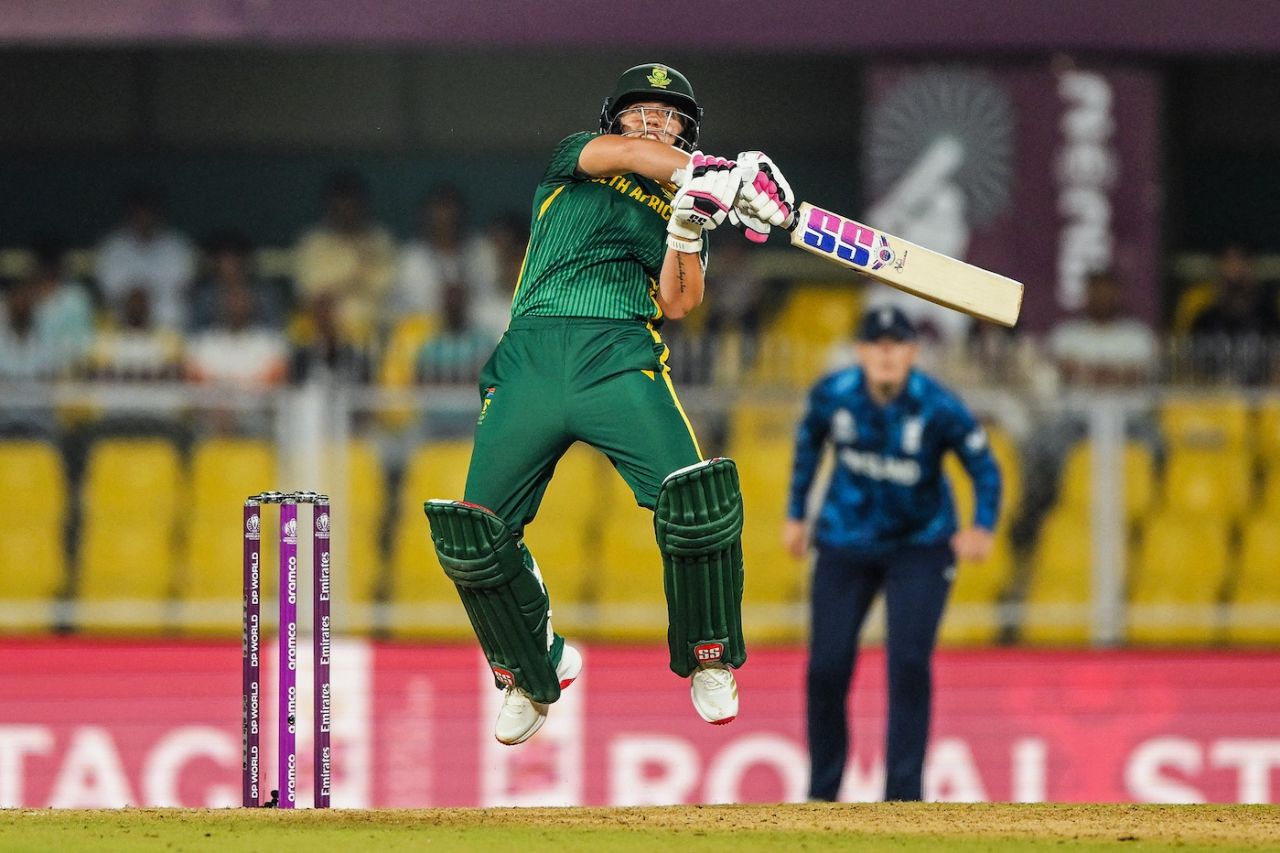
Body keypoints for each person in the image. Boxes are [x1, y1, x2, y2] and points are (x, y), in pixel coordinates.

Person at [421, 62, 794, 746]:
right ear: (614, 119)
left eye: (669, 114)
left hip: (618, 353)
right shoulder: (580, 159)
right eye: (640, 110)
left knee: (694, 503)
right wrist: (712, 173)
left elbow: (679, 301)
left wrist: (687, 222)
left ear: (686, 128)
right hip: (531, 356)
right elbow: (630, 156)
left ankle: (709, 658)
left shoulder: (691, 202)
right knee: (475, 536)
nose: (653, 120)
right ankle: (533, 669)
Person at [784, 305, 1001, 802]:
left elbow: (985, 468)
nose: (885, 355)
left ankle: (903, 800)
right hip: (844, 540)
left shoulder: (938, 405)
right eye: (876, 345)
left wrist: (983, 527)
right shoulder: (833, 395)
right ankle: (822, 795)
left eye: (896, 345)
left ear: (913, 352)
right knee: (826, 667)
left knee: (907, 664)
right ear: (860, 351)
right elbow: (807, 446)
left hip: (919, 546)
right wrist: (797, 515)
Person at [294, 171, 396, 348]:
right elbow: (314, 296)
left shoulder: (379, 240)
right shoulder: (313, 243)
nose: (346, 212)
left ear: (362, 206)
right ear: (329, 207)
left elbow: (387, 288)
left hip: (375, 333)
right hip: (325, 335)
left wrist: (337, 286)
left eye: (351, 206)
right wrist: (356, 276)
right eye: (340, 206)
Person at [94, 186, 196, 332]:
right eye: (139, 212)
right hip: (121, 330)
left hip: (168, 327)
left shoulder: (178, 248)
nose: (144, 217)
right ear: (129, 214)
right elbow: (110, 293)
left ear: (159, 214)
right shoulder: (112, 248)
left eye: (149, 212)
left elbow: (185, 291)